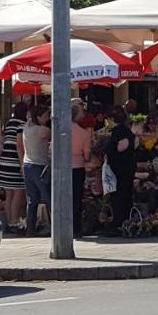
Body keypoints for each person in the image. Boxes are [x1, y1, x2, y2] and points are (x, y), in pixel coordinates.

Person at [0, 103, 28, 233]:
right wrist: (22, 164)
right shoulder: (22, 124)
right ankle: (14, 221)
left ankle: (9, 221)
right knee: (18, 193)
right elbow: (19, 146)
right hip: (15, 162)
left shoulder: (9, 123)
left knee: (9, 195)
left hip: (4, 162)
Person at [20, 105, 52, 237]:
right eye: (45, 116)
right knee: (49, 198)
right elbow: (52, 135)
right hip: (39, 167)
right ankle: (55, 227)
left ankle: (30, 230)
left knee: (32, 201)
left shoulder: (26, 128)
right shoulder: (42, 130)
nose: (48, 118)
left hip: (27, 165)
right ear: (38, 117)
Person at [104, 106, 136, 235]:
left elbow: (121, 147)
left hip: (121, 169)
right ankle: (124, 222)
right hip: (125, 168)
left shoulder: (120, 131)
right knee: (123, 195)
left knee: (119, 196)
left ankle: (120, 223)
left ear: (111, 118)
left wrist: (109, 152)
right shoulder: (124, 130)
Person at [70, 99, 93, 237]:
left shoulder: (59, 128)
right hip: (77, 167)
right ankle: (76, 228)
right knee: (76, 198)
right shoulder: (84, 134)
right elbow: (87, 155)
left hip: (61, 168)